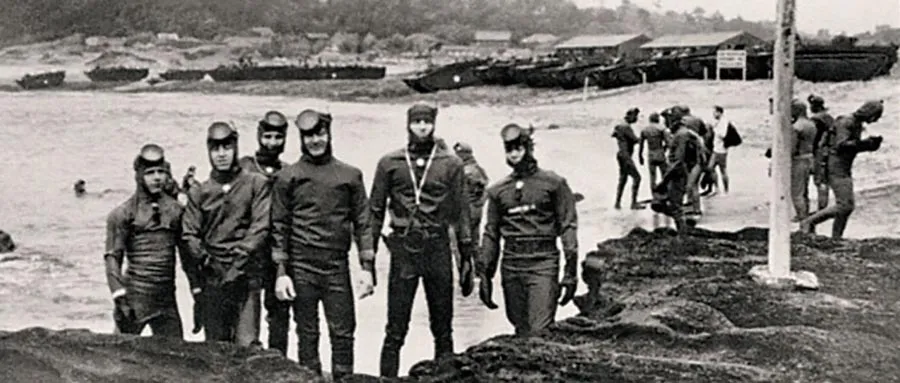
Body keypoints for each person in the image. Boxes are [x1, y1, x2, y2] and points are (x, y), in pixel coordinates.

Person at [369, 102, 476, 378]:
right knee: (395, 328)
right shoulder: (389, 162)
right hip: (404, 250)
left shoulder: (450, 163)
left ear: (434, 124)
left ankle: (446, 377)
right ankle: (387, 379)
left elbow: (461, 211)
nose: (422, 127)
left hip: (437, 247)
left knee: (443, 327)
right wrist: (368, 259)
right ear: (408, 124)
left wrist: (467, 255)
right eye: (417, 122)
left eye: (426, 122)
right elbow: (375, 211)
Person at [270, 110, 374, 380]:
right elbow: (279, 226)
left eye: (320, 133)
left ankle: (344, 380)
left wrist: (367, 268)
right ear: (301, 138)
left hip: (336, 267)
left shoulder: (350, 176)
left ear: (329, 134)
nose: (315, 140)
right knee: (307, 333)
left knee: (343, 333)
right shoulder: (288, 177)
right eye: (308, 136)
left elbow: (363, 223)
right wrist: (281, 272)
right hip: (301, 267)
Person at [477, 123, 579, 337]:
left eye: (519, 148)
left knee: (539, 329)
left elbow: (568, 226)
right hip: (512, 264)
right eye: (509, 149)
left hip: (543, 263)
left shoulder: (554, 184)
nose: (514, 154)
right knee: (520, 328)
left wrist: (570, 272)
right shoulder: (498, 191)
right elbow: (491, 234)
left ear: (528, 148)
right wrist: (485, 275)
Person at [181, 122, 272, 346]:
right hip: (214, 277)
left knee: (247, 345)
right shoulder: (200, 191)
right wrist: (206, 261)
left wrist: (239, 262)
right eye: (215, 148)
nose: (221, 154)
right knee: (216, 348)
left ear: (235, 147)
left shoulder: (256, 183)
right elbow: (190, 233)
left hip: (246, 275)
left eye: (227, 147)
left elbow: (260, 226)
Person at [104, 144, 188, 338]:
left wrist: (197, 292)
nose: (157, 177)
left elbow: (187, 257)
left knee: (177, 353)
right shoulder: (123, 213)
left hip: (166, 300)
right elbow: (112, 258)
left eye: (161, 172)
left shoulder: (175, 211)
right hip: (134, 299)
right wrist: (119, 297)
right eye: (150, 173)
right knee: (119, 352)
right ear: (139, 176)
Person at [237, 110, 292, 356]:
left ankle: (278, 363)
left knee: (280, 315)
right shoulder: (244, 167)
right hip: (249, 250)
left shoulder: (288, 171)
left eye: (278, 137)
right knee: (247, 312)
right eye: (267, 136)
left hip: (277, 250)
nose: (272, 143)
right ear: (259, 136)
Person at [799, 100, 884, 238]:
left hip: (843, 166)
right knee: (845, 205)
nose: (876, 120)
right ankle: (809, 222)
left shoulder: (855, 123)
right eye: (876, 116)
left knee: (846, 206)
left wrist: (869, 146)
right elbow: (841, 145)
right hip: (836, 167)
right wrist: (864, 144)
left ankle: (836, 237)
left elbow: (847, 146)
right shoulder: (847, 122)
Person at [452, 141, 490, 245]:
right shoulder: (477, 168)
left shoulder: (466, 171)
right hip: (474, 209)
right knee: (474, 240)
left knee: (464, 242)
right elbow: (486, 187)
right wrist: (479, 203)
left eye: (459, 154)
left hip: (466, 211)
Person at [789, 100, 818, 222]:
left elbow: (792, 148)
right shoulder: (811, 124)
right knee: (804, 190)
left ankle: (801, 216)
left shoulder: (796, 127)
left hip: (799, 160)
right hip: (810, 157)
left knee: (797, 192)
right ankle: (805, 213)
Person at [612, 107, 645, 210]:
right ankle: (633, 203)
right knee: (637, 178)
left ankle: (617, 202)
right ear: (630, 116)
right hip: (626, 156)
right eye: (635, 116)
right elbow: (635, 140)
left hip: (621, 155)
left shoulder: (619, 126)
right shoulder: (626, 127)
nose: (636, 118)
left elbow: (614, 135)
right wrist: (644, 137)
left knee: (623, 179)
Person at [809, 95, 835, 214]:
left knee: (820, 180)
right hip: (830, 151)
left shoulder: (816, 119)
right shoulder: (828, 117)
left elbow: (814, 138)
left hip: (820, 151)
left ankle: (822, 208)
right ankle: (823, 207)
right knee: (824, 180)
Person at [638, 112, 670, 193]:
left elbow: (641, 145)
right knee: (665, 174)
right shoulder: (661, 128)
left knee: (652, 176)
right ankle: (665, 192)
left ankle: (654, 193)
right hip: (660, 152)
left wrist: (640, 156)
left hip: (651, 153)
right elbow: (668, 142)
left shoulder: (645, 129)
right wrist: (665, 148)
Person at [707, 105, 731, 194]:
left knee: (722, 170)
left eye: (714, 112)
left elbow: (723, 134)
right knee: (711, 168)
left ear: (719, 112)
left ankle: (725, 189)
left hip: (721, 150)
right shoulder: (719, 121)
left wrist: (714, 129)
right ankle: (718, 188)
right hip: (716, 149)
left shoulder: (724, 122)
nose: (713, 114)